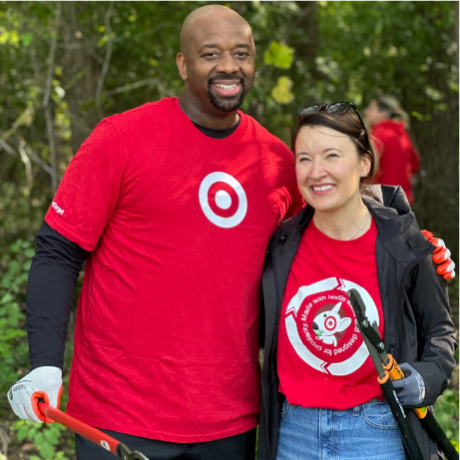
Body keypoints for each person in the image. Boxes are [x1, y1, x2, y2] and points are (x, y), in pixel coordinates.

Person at [7, 7, 454, 460]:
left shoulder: (278, 162)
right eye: (210, 54)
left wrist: (416, 249)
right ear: (183, 64)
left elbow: (332, 231)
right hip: (120, 416)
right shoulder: (121, 138)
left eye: (241, 53)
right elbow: (57, 253)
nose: (228, 66)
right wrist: (45, 363)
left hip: (229, 421)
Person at [258, 103, 456, 460]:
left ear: (364, 163)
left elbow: (440, 331)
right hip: (293, 433)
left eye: (331, 155)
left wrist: (424, 378)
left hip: (377, 432)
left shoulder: (405, 245)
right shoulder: (279, 245)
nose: (316, 171)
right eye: (304, 158)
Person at [364, 95, 420, 204]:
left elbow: (366, 165)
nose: (366, 111)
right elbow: (415, 163)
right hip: (402, 201)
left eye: (371, 108)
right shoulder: (402, 133)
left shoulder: (378, 134)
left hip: (380, 202)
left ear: (383, 113)